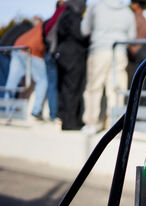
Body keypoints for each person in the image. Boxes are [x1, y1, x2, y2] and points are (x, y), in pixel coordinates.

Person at [80, 0, 136, 133]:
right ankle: (115, 125)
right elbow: (132, 36)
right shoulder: (128, 12)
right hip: (120, 51)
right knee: (116, 88)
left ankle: (92, 123)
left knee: (94, 88)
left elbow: (84, 30)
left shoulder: (95, 7)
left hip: (99, 49)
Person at [4, 19, 49, 121]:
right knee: (43, 80)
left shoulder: (34, 29)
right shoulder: (45, 25)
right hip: (31, 50)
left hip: (17, 47)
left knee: (12, 82)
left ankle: (6, 109)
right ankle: (36, 111)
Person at [56, 0, 88, 130]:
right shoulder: (73, 16)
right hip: (73, 57)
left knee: (66, 90)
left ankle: (67, 120)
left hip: (64, 55)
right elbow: (80, 35)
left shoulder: (63, 14)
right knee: (72, 90)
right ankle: (70, 122)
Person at [43, 0, 67, 122]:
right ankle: (56, 114)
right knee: (58, 84)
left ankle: (53, 115)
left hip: (48, 53)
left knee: (51, 84)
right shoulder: (62, 15)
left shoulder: (50, 19)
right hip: (55, 53)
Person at [127, 0, 146, 85]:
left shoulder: (133, 18)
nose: (130, 5)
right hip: (145, 53)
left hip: (133, 55)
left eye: (133, 2)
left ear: (137, 4)